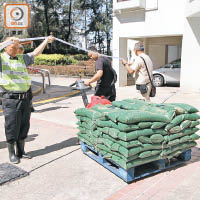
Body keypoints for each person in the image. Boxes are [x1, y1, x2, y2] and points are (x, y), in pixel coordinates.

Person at [0, 36, 54, 164]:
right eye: (12, 46)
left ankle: (21, 151)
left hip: (25, 98)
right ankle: (12, 153)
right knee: (12, 126)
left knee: (24, 125)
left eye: (17, 47)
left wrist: (46, 41)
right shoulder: (1, 58)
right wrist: (8, 41)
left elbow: (36, 52)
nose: (15, 49)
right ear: (5, 47)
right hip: (11, 99)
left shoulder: (21, 58)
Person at [18, 44, 35, 112]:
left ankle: (30, 106)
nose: (21, 54)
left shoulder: (23, 57)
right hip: (17, 83)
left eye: (21, 52)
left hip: (25, 81)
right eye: (20, 52)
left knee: (29, 95)